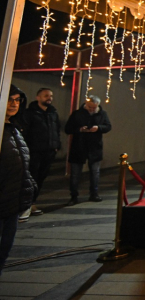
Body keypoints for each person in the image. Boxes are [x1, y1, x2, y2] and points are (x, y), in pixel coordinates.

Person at [1, 85, 36, 274]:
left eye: (17, 100)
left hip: (13, 199)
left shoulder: (14, 128)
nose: (14, 104)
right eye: (9, 99)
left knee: (5, 247)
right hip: (4, 196)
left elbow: (20, 160)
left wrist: (29, 185)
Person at [19, 88, 61, 219]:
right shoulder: (30, 113)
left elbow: (56, 130)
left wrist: (56, 146)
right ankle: (26, 204)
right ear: (38, 97)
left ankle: (32, 202)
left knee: (41, 178)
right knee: (31, 177)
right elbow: (25, 132)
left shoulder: (53, 113)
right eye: (46, 95)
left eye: (51, 96)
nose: (49, 98)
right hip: (34, 151)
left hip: (49, 151)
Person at [64, 95, 112, 205]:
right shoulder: (77, 114)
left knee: (95, 173)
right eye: (90, 107)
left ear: (98, 105)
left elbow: (108, 126)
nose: (92, 109)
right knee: (75, 174)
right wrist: (80, 129)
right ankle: (73, 196)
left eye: (94, 107)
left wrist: (98, 128)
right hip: (78, 147)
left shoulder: (102, 114)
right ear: (86, 104)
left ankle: (94, 193)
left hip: (95, 148)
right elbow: (68, 129)